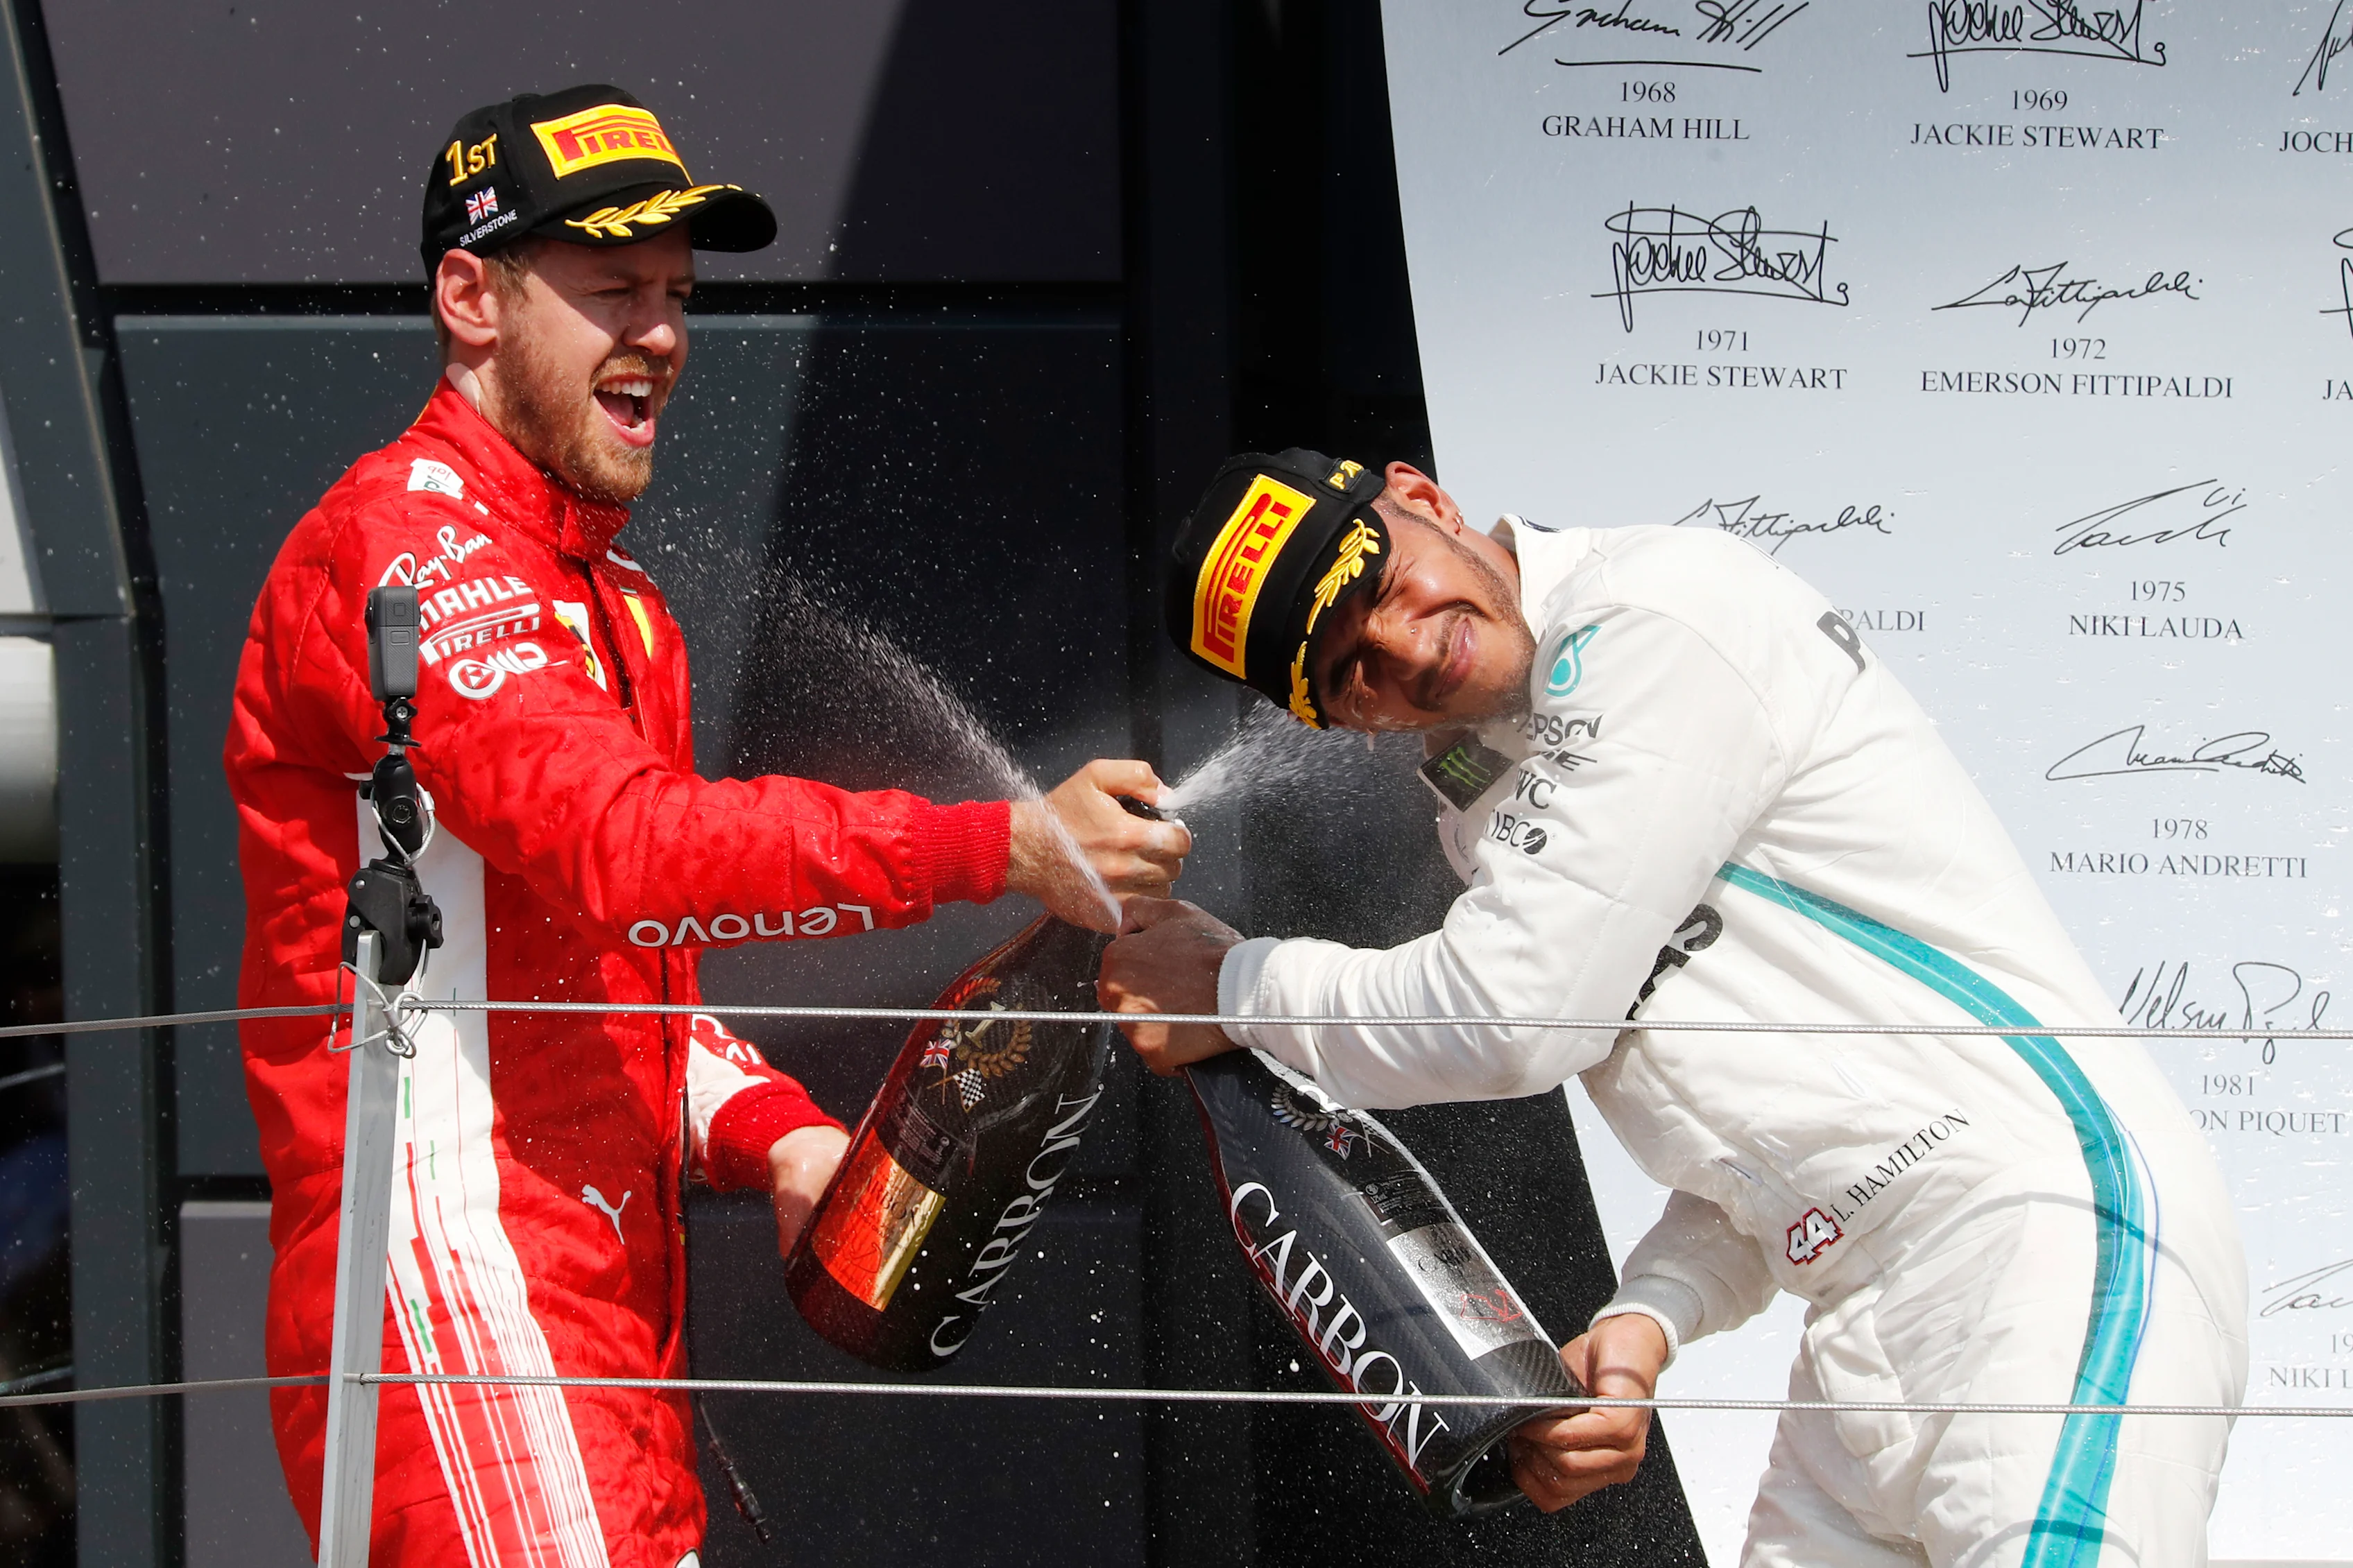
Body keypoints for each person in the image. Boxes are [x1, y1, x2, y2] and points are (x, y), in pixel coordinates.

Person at [226, 85, 1188, 1568]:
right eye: (613, 287)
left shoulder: (625, 609)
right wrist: (988, 844)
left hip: (603, 1323)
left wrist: (787, 1140)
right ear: (469, 299)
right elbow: (633, 850)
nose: (662, 333)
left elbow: (622, 977)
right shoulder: (396, 544)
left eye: (676, 294)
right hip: (453, 1308)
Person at [1100, 449, 2245, 1567]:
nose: (1406, 647)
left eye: (1379, 578)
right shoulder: (1489, 777)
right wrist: (1648, 1319)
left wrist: (1236, 989)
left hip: (2036, 1244)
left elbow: (1515, 1016)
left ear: (1422, 495)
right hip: (1870, 1321)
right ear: (1340, 724)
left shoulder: (1650, 621)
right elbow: (1807, 1139)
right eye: (1351, 671)